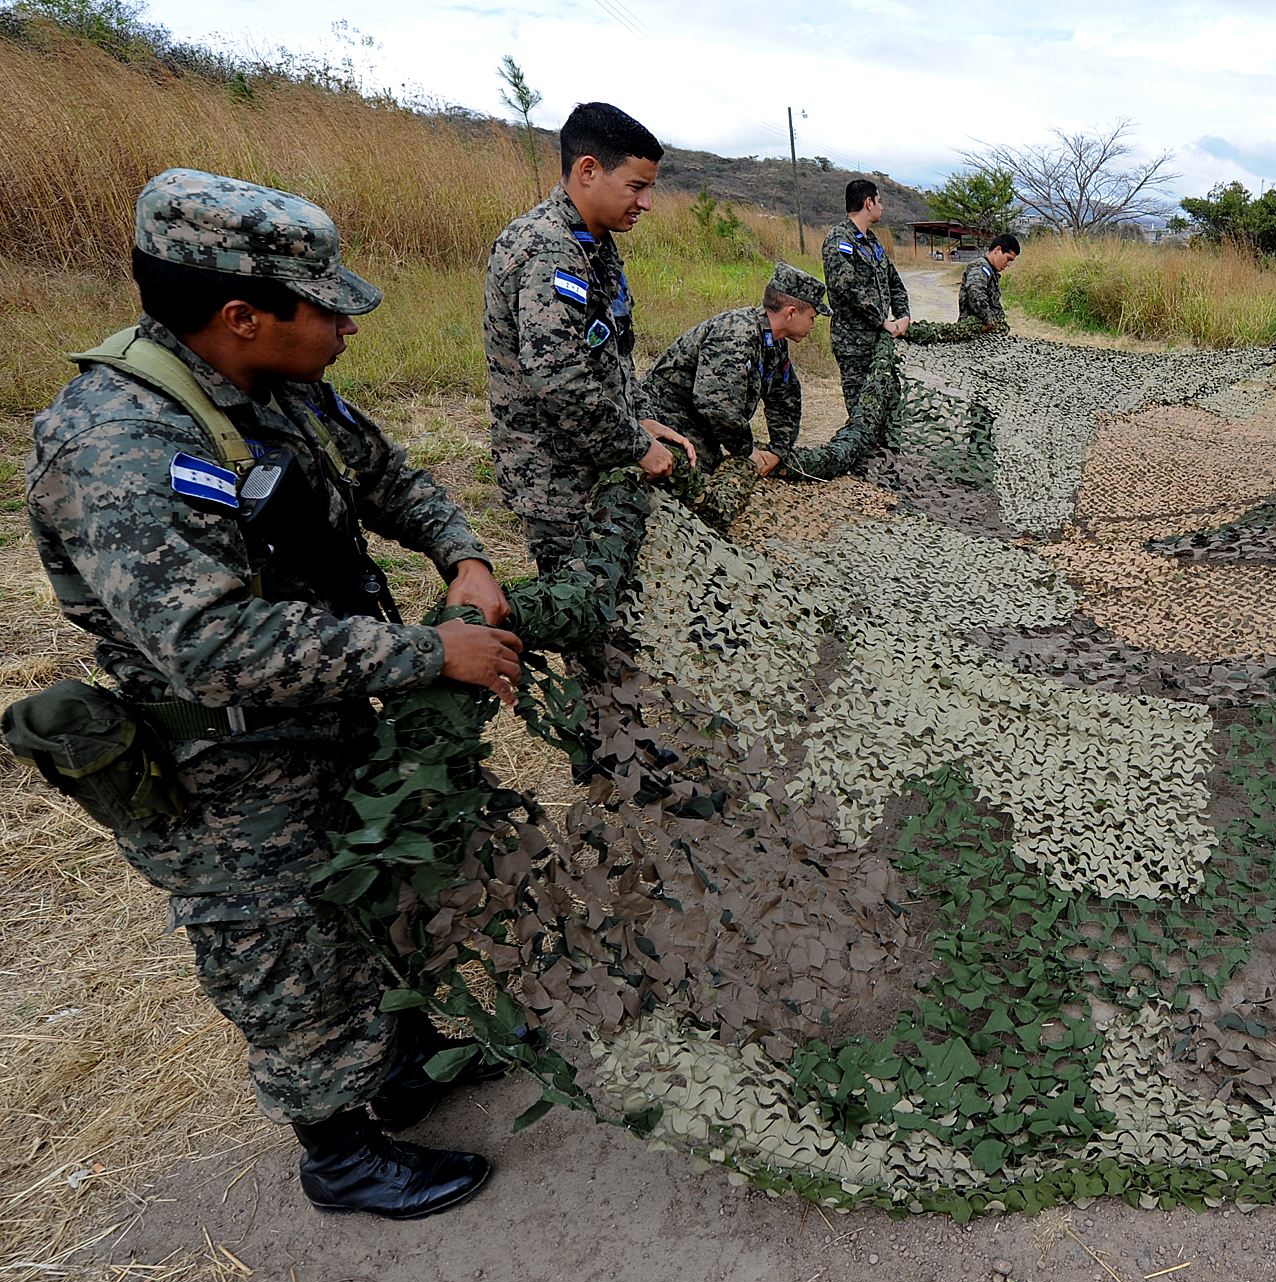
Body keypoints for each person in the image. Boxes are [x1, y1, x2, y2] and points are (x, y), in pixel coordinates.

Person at [18, 170, 525, 1220]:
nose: (345, 325)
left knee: (366, 897)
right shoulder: (117, 442)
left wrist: (461, 552)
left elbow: (380, 472)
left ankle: (397, 1063)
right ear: (244, 316)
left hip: (323, 716)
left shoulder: (269, 383)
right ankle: (337, 1150)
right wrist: (430, 654)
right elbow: (210, 646)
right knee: (280, 943)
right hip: (227, 761)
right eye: (324, 306)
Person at [485, 101, 695, 576]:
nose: (645, 203)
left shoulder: (595, 245)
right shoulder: (548, 248)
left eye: (649, 189)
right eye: (636, 187)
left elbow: (616, 351)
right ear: (588, 170)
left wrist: (641, 417)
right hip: (556, 478)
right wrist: (638, 446)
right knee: (589, 618)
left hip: (596, 460)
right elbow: (560, 381)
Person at [642, 263, 829, 528]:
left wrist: (778, 450)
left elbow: (785, 398)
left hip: (700, 420)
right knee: (697, 486)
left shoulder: (773, 343)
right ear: (790, 313)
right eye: (812, 317)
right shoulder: (736, 334)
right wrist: (746, 450)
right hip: (667, 416)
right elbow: (716, 406)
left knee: (718, 471)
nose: (813, 325)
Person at [822, 179, 912, 416]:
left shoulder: (872, 242)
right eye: (879, 202)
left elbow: (894, 280)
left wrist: (903, 315)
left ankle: (885, 453)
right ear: (868, 202)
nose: (882, 207)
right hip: (854, 344)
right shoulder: (839, 240)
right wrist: (881, 320)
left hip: (879, 341)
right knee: (863, 412)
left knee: (887, 405)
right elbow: (846, 287)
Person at [959, 233, 1019, 330]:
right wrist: (988, 321)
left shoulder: (990, 270)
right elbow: (975, 290)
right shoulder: (980, 267)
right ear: (998, 250)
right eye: (1008, 259)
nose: (1008, 264)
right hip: (976, 333)